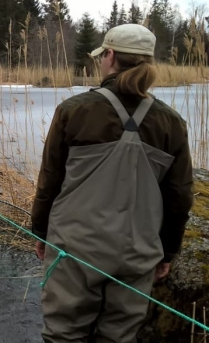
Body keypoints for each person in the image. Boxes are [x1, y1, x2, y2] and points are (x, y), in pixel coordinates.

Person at [30, 23, 195, 343]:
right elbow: (180, 197)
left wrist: (40, 231)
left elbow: (50, 180)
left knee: (63, 335)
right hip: (137, 254)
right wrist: (167, 252)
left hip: (74, 250)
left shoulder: (73, 111)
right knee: (118, 338)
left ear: (109, 56)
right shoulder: (172, 123)